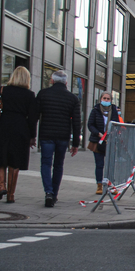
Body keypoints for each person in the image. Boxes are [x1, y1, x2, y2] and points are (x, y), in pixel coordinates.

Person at [0, 66, 38, 203]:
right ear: (27, 79)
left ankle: (1, 186)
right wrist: (32, 136)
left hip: (3, 126)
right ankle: (10, 195)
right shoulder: (29, 95)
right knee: (15, 161)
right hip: (21, 128)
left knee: (1, 157)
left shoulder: (4, 90)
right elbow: (33, 118)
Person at [36, 70, 81, 207]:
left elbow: (35, 116)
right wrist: (75, 143)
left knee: (45, 163)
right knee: (58, 165)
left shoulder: (43, 94)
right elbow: (76, 122)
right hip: (63, 136)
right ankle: (54, 194)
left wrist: (32, 136)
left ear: (52, 80)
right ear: (66, 83)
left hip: (46, 134)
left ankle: (48, 192)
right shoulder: (72, 98)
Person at [87, 92, 120, 194]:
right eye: (104, 98)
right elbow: (90, 124)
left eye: (108, 99)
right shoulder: (95, 110)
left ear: (111, 100)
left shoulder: (114, 111)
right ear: (101, 99)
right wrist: (98, 134)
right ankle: (99, 185)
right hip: (98, 141)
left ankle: (111, 184)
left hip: (110, 141)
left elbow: (117, 124)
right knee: (99, 164)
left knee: (111, 165)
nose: (106, 100)